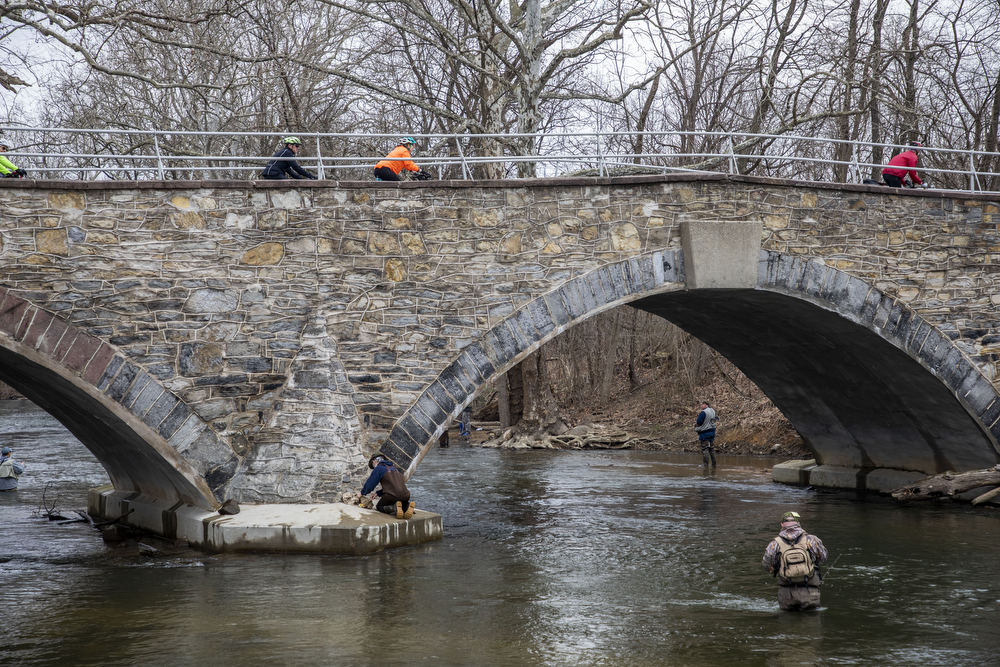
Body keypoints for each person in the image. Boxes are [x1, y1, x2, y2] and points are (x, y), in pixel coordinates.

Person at [762, 511, 829, 611]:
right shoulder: (811, 539)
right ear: (798, 523)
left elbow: (767, 566)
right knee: (811, 624)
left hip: (786, 593)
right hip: (810, 591)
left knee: (786, 623)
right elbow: (823, 557)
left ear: (782, 524)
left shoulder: (774, 544)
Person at [358, 454, 415, 519]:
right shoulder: (396, 469)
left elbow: (370, 485)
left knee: (379, 506)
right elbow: (394, 486)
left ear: (373, 462)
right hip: (406, 495)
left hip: (393, 496)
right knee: (400, 501)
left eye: (373, 466)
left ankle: (394, 508)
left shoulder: (379, 468)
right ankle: (406, 507)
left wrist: (361, 493)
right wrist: (377, 493)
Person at [695, 401, 718, 466]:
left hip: (705, 433)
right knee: (711, 449)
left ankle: (705, 464)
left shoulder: (703, 412)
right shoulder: (713, 411)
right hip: (712, 432)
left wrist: (695, 424)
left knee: (705, 449)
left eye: (701, 404)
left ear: (705, 405)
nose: (700, 406)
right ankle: (714, 464)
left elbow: (699, 422)